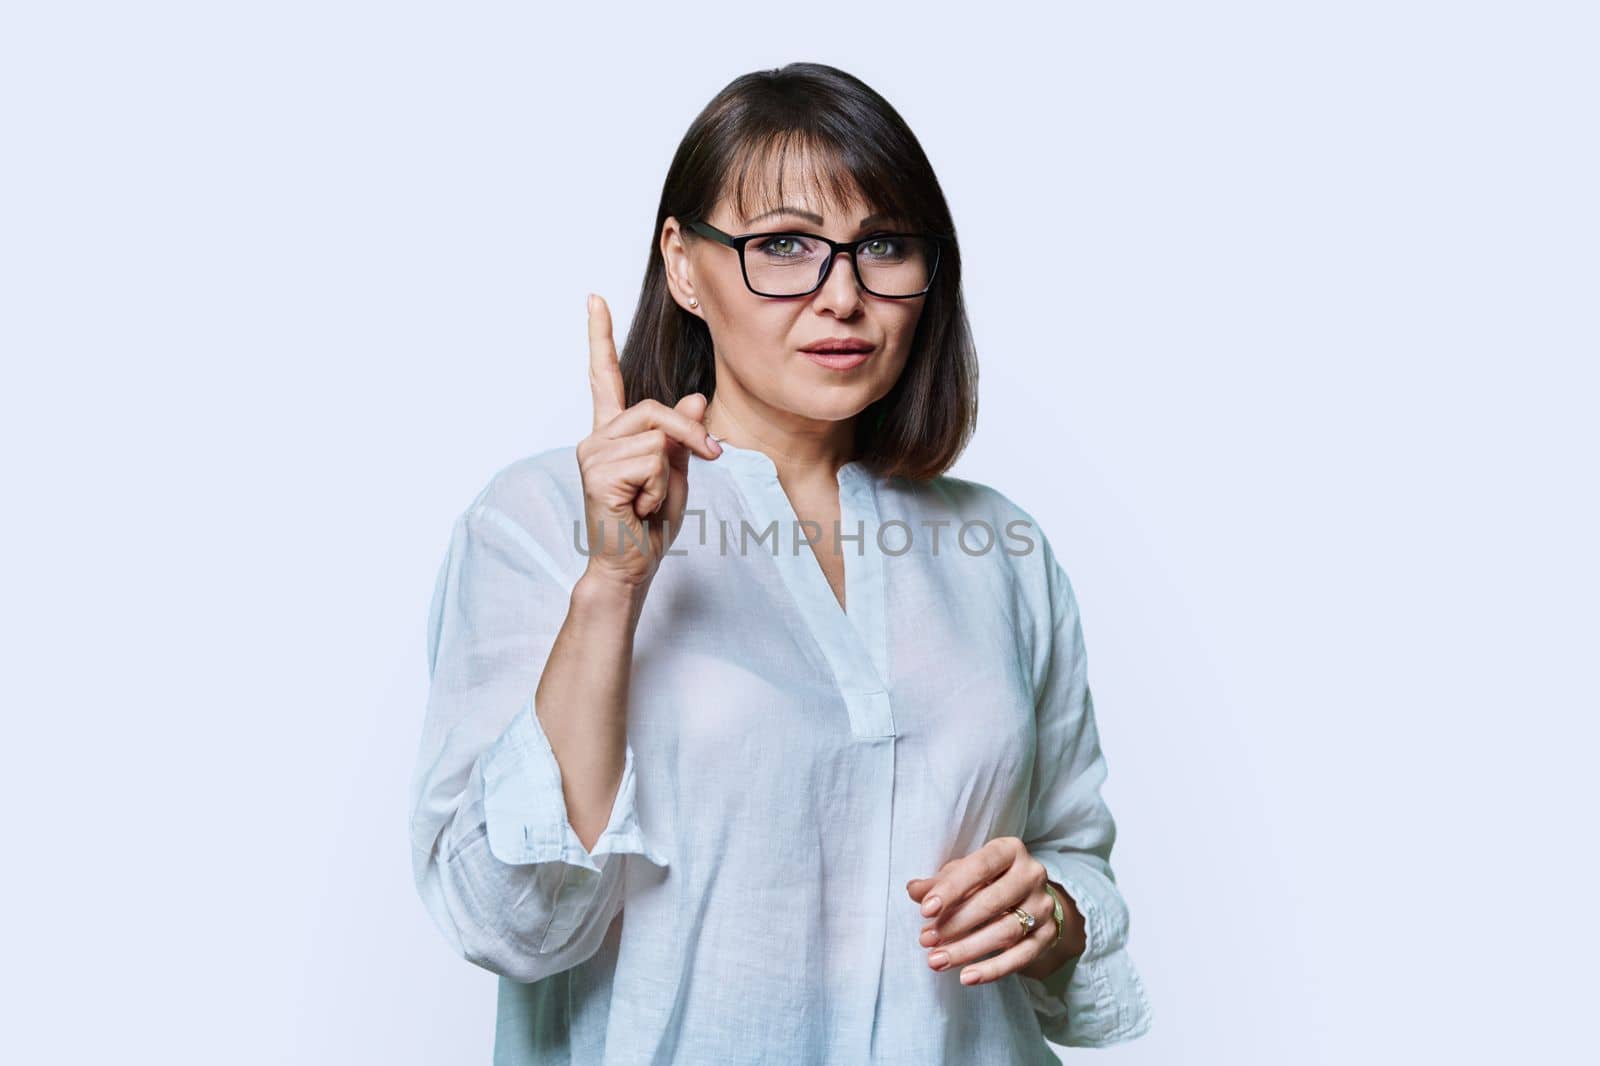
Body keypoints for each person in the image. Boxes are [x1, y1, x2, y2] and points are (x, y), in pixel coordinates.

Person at [408, 62, 1153, 1064]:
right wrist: (614, 585)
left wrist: (1050, 913)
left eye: (883, 247)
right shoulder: (541, 519)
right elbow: (505, 918)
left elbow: (1074, 853)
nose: (841, 295)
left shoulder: (1000, 549)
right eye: (784, 246)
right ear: (682, 264)